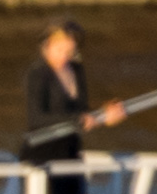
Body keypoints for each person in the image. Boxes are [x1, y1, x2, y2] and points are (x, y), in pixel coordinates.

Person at [26, 21, 121, 185]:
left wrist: (104, 117)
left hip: (71, 152)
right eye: (59, 50)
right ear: (47, 47)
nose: (64, 56)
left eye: (70, 51)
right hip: (43, 154)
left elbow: (83, 112)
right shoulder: (38, 74)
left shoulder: (77, 70)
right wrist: (78, 118)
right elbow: (37, 118)